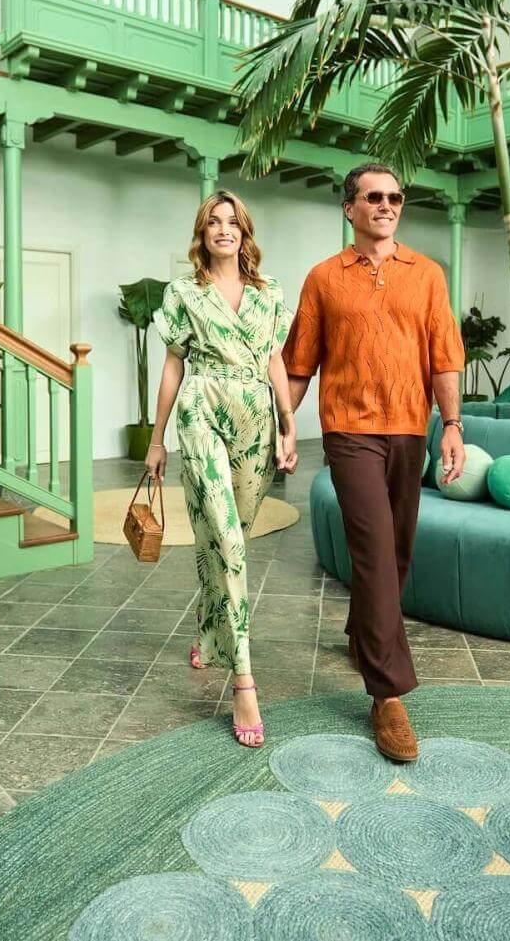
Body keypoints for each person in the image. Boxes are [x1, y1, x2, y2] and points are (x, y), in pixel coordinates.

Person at [283, 163, 466, 763]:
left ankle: (363, 632)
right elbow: (298, 364)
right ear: (350, 210)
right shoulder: (323, 279)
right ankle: (387, 695)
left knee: (400, 546)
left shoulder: (428, 275)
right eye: (373, 197)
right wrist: (282, 427)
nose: (386, 205)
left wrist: (453, 427)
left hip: (410, 428)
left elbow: (444, 358)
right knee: (374, 546)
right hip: (350, 430)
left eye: (394, 197)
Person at [145, 190, 299, 748]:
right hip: (202, 410)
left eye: (233, 221)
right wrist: (157, 439)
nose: (224, 229)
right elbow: (171, 366)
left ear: (245, 232)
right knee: (227, 541)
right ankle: (243, 681)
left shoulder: (270, 293)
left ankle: (212, 631)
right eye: (214, 222)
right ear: (202, 233)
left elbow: (275, 361)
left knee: (228, 539)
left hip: (256, 417)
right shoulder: (184, 292)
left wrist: (288, 421)